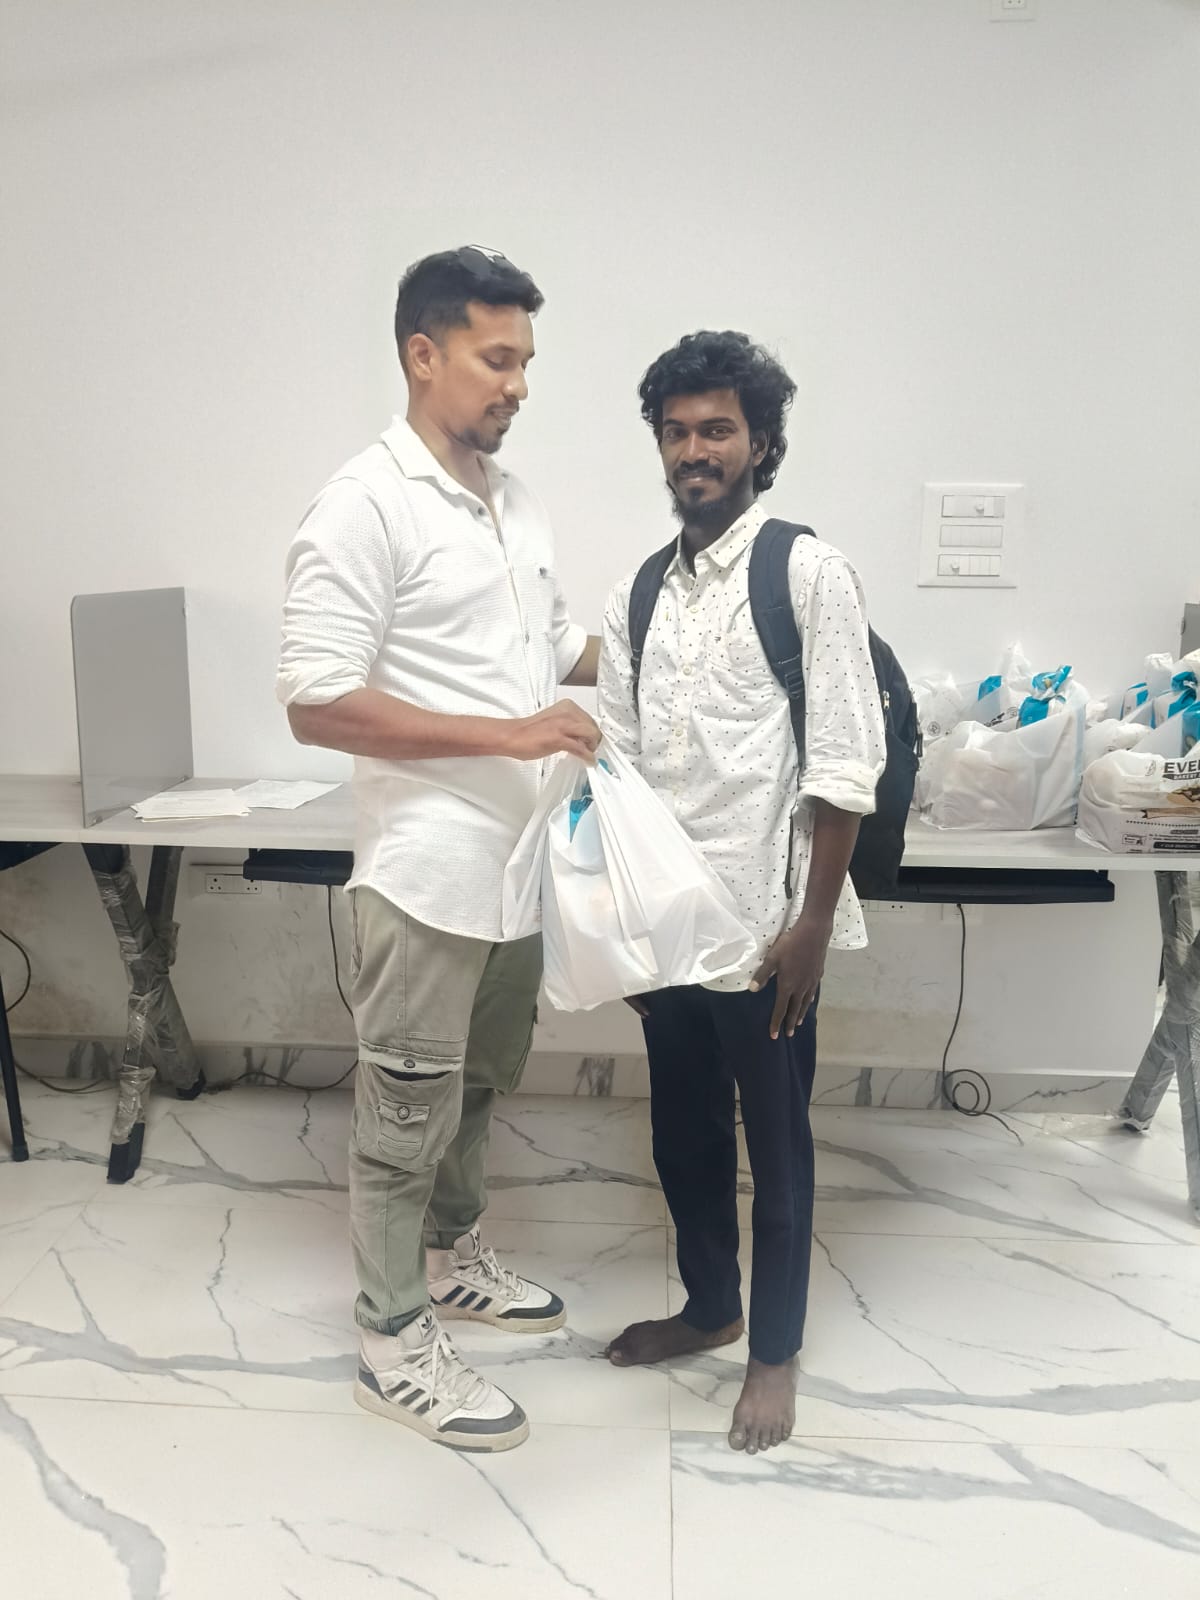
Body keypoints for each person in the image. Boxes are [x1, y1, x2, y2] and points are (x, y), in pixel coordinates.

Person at [277, 246, 601, 1453]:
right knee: (403, 1112)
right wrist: (510, 733)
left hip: (518, 870)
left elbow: (550, 643)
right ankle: (390, 1336)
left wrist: (662, 643)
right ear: (424, 354)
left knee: (477, 1085)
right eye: (496, 358)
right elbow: (315, 698)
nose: (518, 384)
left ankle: (456, 1259)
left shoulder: (515, 501)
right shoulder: (364, 503)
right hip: (426, 876)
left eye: (526, 361)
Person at [597, 330, 886, 1455]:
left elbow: (845, 763)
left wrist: (811, 923)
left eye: (717, 429)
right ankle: (710, 1306)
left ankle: (774, 1353)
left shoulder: (807, 573)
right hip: (670, 929)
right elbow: (621, 768)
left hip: (767, 933)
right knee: (681, 1134)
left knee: (778, 1145)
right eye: (676, 432)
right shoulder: (640, 591)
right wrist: (623, 921)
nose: (694, 450)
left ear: (761, 442)